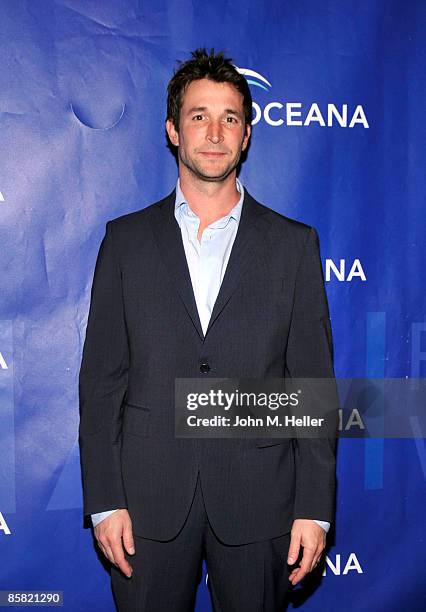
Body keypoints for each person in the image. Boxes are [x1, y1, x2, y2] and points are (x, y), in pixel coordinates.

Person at [78, 47, 337, 611]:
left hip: (260, 500)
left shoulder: (294, 246)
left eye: (230, 118)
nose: (214, 133)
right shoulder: (124, 242)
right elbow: (101, 385)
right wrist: (104, 501)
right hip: (144, 505)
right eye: (199, 116)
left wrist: (313, 507)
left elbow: (311, 386)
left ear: (247, 135)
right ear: (173, 130)